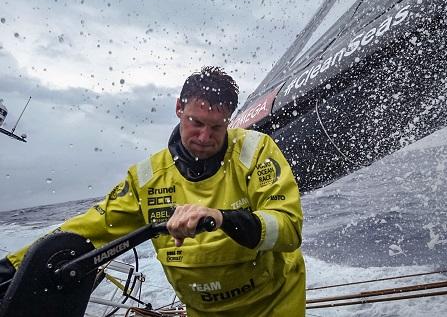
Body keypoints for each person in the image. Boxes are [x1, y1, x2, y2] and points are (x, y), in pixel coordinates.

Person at [0, 66, 305, 316]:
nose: (204, 136)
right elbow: (90, 227)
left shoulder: (255, 151)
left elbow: (288, 228)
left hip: (274, 305)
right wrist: (13, 266)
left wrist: (223, 218)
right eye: (195, 122)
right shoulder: (146, 178)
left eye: (216, 127)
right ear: (178, 108)